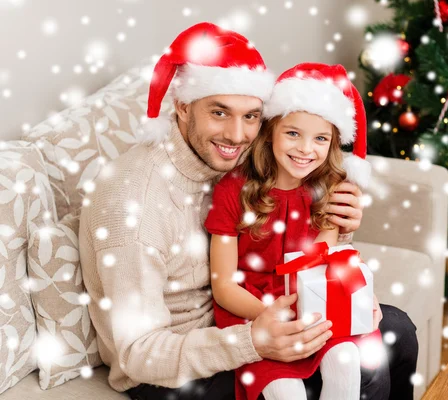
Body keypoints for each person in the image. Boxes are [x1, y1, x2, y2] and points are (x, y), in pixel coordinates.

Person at [79, 22, 418, 400]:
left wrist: (340, 235)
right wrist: (254, 341)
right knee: (363, 371)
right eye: (219, 113)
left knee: (397, 332)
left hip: (255, 308)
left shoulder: (241, 159)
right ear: (182, 106)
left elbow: (287, 224)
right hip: (178, 365)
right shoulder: (134, 204)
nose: (238, 135)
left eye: (251, 116)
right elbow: (136, 355)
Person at [205, 62, 380, 400]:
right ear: (271, 131)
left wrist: (353, 296)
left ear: (332, 144)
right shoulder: (232, 191)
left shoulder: (328, 188)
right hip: (254, 309)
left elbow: (321, 263)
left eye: (320, 138)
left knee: (346, 359)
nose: (305, 149)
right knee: (286, 391)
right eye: (293, 133)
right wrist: (272, 317)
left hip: (311, 302)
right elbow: (223, 284)